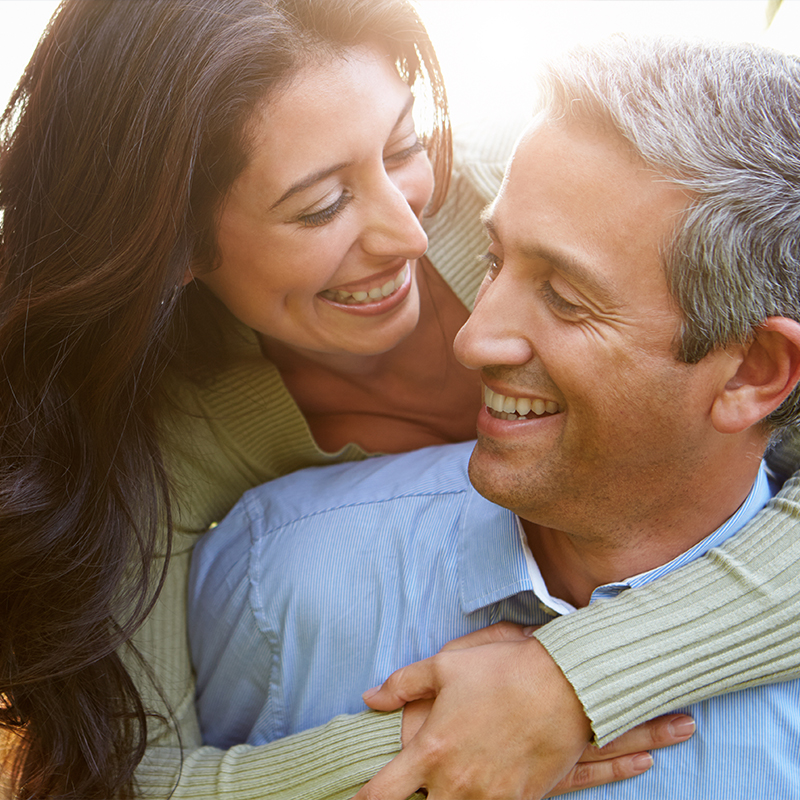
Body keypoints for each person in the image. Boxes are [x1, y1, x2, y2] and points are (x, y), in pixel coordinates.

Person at [0, 0, 795, 794]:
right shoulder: (167, 442)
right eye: (321, 206)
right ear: (175, 246)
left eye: (405, 145)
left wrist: (574, 681)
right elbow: (120, 777)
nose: (410, 231)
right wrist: (429, 748)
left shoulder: (544, 189)